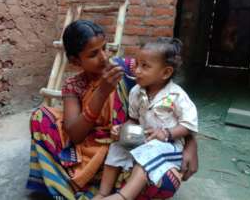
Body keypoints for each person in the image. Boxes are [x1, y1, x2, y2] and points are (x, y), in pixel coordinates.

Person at [27, 20, 198, 199]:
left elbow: (169, 95)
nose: (103, 57)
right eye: (93, 54)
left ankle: (116, 192)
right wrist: (102, 92)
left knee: (165, 180)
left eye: (104, 48)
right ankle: (98, 189)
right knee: (40, 117)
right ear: (75, 61)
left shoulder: (126, 68)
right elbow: (75, 135)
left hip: (129, 149)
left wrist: (190, 143)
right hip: (91, 154)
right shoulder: (73, 86)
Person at [93, 38, 198, 200]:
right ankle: (103, 193)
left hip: (168, 147)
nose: (137, 71)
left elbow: (189, 125)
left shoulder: (177, 96)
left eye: (145, 66)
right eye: (137, 64)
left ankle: (123, 196)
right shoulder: (136, 91)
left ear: (165, 73)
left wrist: (167, 133)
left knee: (148, 153)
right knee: (117, 145)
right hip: (143, 139)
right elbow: (133, 119)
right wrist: (123, 129)